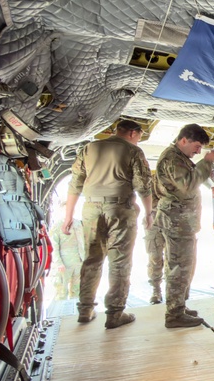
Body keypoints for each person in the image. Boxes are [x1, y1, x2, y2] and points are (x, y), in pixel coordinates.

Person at [62, 119, 154, 329]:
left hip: (91, 210)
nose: (139, 140)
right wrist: (148, 213)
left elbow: (75, 183)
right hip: (119, 210)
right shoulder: (133, 151)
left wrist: (68, 216)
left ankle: (85, 310)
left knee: (92, 260)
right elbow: (143, 186)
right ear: (133, 133)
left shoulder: (89, 148)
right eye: (140, 135)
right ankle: (114, 314)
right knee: (119, 262)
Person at [155, 124, 214, 328]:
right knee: (178, 267)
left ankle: (178, 306)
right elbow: (188, 184)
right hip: (177, 221)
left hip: (182, 221)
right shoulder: (173, 158)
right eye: (197, 146)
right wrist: (206, 163)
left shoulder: (179, 158)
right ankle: (174, 314)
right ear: (184, 140)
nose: (198, 151)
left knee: (182, 266)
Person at [50, 210, 85, 299]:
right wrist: (58, 263)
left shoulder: (78, 224)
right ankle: (61, 313)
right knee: (61, 292)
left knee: (77, 292)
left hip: (78, 262)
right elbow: (54, 247)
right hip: (64, 263)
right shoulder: (58, 226)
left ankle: (75, 312)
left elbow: (82, 242)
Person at [145, 172, 166, 304]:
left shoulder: (178, 176)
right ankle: (156, 290)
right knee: (154, 258)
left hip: (174, 220)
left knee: (175, 259)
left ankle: (175, 293)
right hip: (154, 220)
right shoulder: (151, 179)